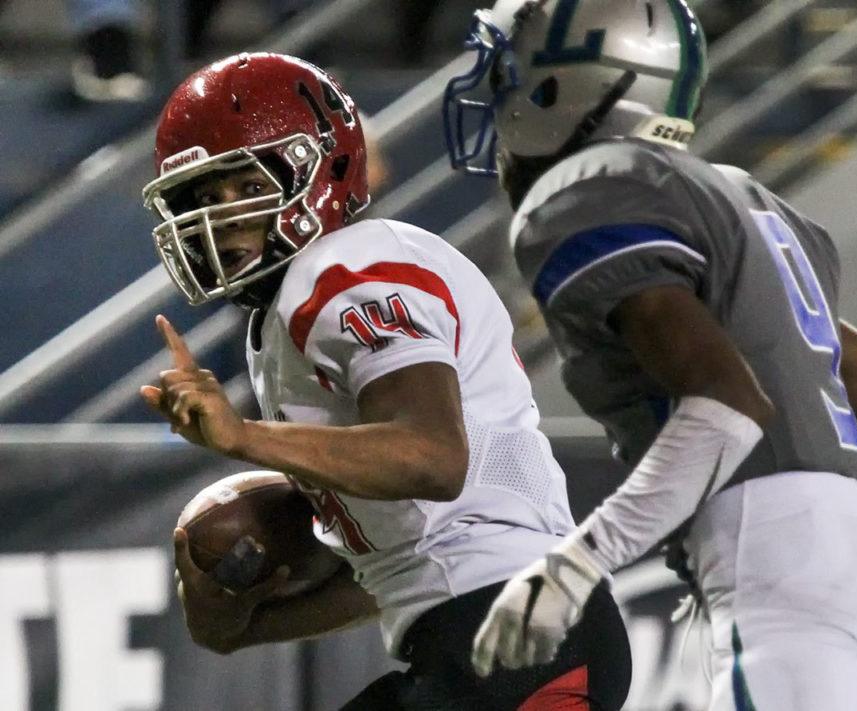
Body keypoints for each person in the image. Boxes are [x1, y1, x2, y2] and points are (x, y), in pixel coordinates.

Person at [442, 1, 857, 709]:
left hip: (771, 553)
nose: (497, 99)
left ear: (572, 87)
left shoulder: (590, 190)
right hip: (854, 558)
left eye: (511, 75)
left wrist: (573, 566)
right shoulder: (743, 198)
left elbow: (726, 410)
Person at [140, 52, 631, 710]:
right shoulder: (288, 315)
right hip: (507, 638)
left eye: (246, 185)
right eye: (205, 197)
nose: (224, 217)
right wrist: (240, 626)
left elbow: (433, 458)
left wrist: (242, 435)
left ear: (316, 170)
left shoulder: (349, 268)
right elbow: (401, 571)